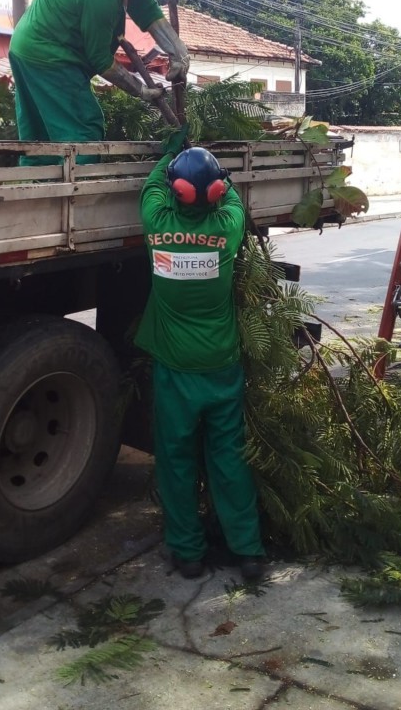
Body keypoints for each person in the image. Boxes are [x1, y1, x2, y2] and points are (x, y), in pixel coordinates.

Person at [135, 130, 265, 581]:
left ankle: (188, 553)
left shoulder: (155, 223)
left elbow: (153, 184)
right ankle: (248, 551)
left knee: (176, 459)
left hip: (175, 372)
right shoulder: (228, 227)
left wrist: (171, 147)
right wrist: (218, 175)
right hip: (222, 367)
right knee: (228, 458)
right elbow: (229, 194)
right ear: (210, 193)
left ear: (178, 193)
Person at [7, 0, 192, 161]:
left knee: (40, 135)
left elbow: (144, 6)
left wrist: (177, 50)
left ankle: (34, 193)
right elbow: (100, 59)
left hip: (26, 46)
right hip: (49, 56)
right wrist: (140, 90)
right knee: (82, 130)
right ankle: (80, 192)